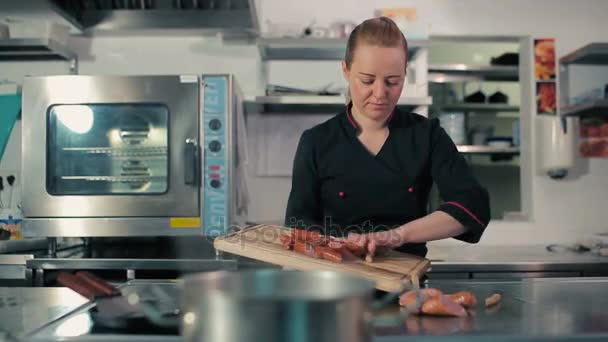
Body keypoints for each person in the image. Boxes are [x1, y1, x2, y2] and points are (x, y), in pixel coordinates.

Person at [284, 17, 490, 258]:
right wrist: (340, 246)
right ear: (346, 71)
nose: (380, 94)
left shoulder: (427, 135)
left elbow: (472, 205)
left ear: (404, 74)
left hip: (406, 285)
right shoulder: (317, 141)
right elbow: (298, 226)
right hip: (336, 283)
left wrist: (395, 236)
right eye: (367, 80)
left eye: (393, 81)